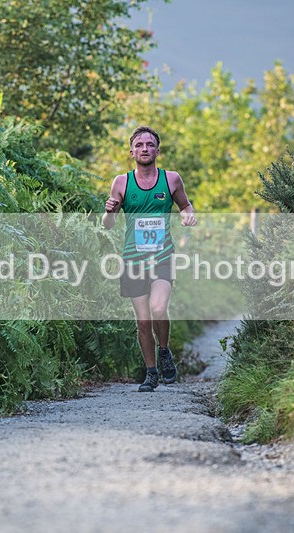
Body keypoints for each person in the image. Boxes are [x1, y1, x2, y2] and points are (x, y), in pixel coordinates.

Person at [102, 125, 197, 392]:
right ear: (132, 151)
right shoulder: (121, 182)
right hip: (133, 259)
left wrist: (188, 214)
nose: (145, 149)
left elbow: (185, 204)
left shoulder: (171, 179)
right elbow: (108, 224)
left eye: (150, 144)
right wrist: (109, 211)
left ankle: (164, 351)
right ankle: (151, 372)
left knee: (158, 308)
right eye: (140, 145)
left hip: (162, 255)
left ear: (157, 149)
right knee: (143, 321)